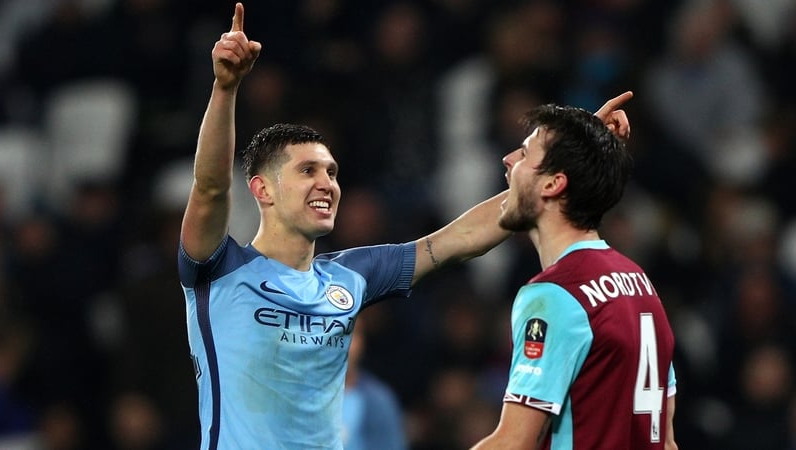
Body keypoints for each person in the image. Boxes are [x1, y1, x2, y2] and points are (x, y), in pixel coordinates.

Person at [178, 3, 632, 449]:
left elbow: (458, 240)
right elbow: (212, 188)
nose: (327, 184)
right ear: (262, 190)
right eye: (307, 171)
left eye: (333, 172)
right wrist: (226, 89)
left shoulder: (350, 277)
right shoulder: (220, 270)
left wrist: (574, 152)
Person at [471, 104, 677, 449]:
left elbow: (513, 442)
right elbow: (666, 443)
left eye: (523, 153)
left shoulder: (555, 294)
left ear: (554, 183)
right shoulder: (640, 284)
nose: (508, 160)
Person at [342, 316, 407, 450]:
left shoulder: (378, 400)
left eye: (351, 334)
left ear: (362, 343)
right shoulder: (296, 394)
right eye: (334, 334)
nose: (343, 344)